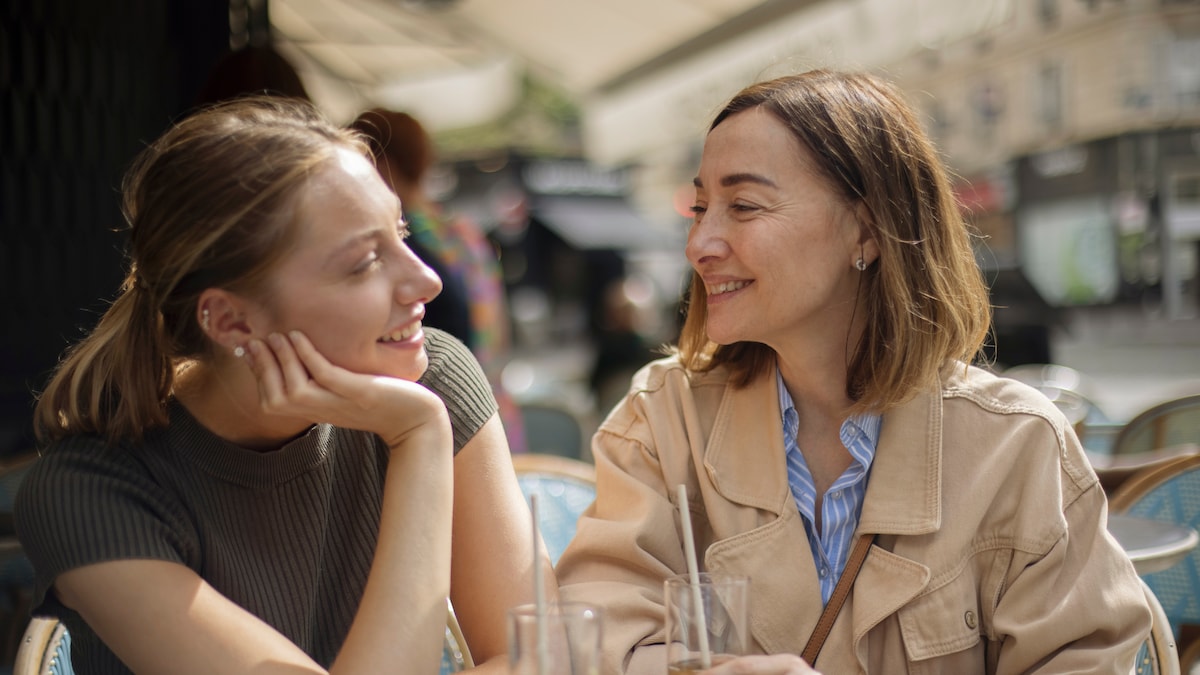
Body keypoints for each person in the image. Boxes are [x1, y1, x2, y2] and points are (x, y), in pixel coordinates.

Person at [554, 69, 1151, 674]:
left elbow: (1088, 658)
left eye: (743, 206)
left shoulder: (1015, 446)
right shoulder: (663, 422)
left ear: (866, 230)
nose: (699, 243)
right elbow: (594, 641)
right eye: (701, 208)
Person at [14, 97, 551, 674]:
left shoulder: (430, 375)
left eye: (400, 233)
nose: (427, 279)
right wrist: (420, 437)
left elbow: (541, 657)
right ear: (231, 321)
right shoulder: (89, 494)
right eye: (364, 262)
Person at [349, 108, 527, 454]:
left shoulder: (399, 238)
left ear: (381, 162)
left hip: (450, 420)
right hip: (492, 406)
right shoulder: (460, 230)